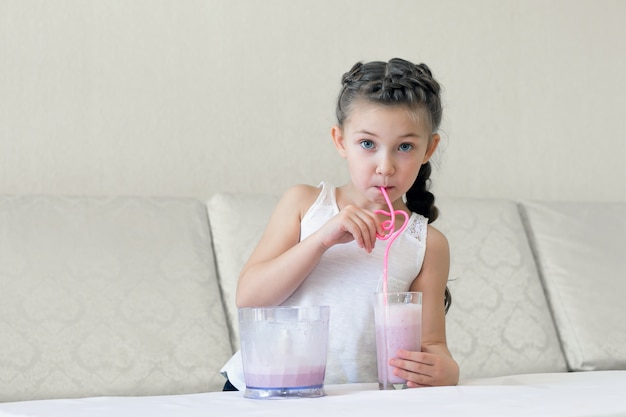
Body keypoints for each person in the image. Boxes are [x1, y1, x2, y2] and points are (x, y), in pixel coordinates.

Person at [222, 57, 459, 389]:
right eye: (367, 144)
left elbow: (432, 346)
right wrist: (321, 240)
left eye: (405, 146)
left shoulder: (427, 243)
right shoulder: (305, 204)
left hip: (356, 399)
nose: (385, 166)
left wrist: (445, 370)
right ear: (340, 141)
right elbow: (249, 297)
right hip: (265, 388)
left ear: (428, 149)